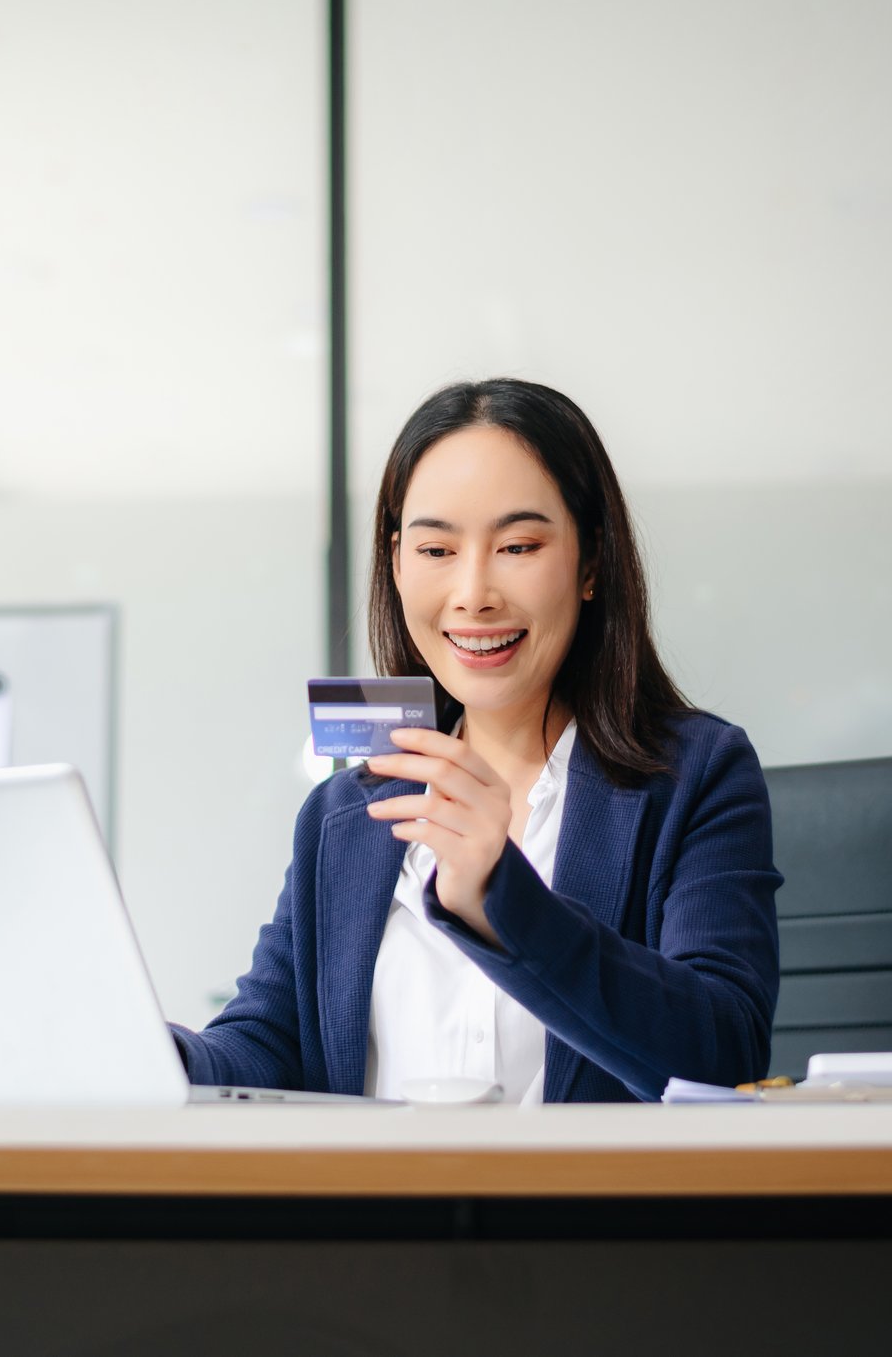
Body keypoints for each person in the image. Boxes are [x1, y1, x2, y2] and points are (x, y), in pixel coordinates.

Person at [172, 378, 781, 1103]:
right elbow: (267, 1045)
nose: (473, 593)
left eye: (519, 545)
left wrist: (505, 902)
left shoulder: (695, 775)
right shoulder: (346, 812)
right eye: (435, 550)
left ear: (590, 564)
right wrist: (146, 1052)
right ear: (397, 564)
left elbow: (723, 1055)